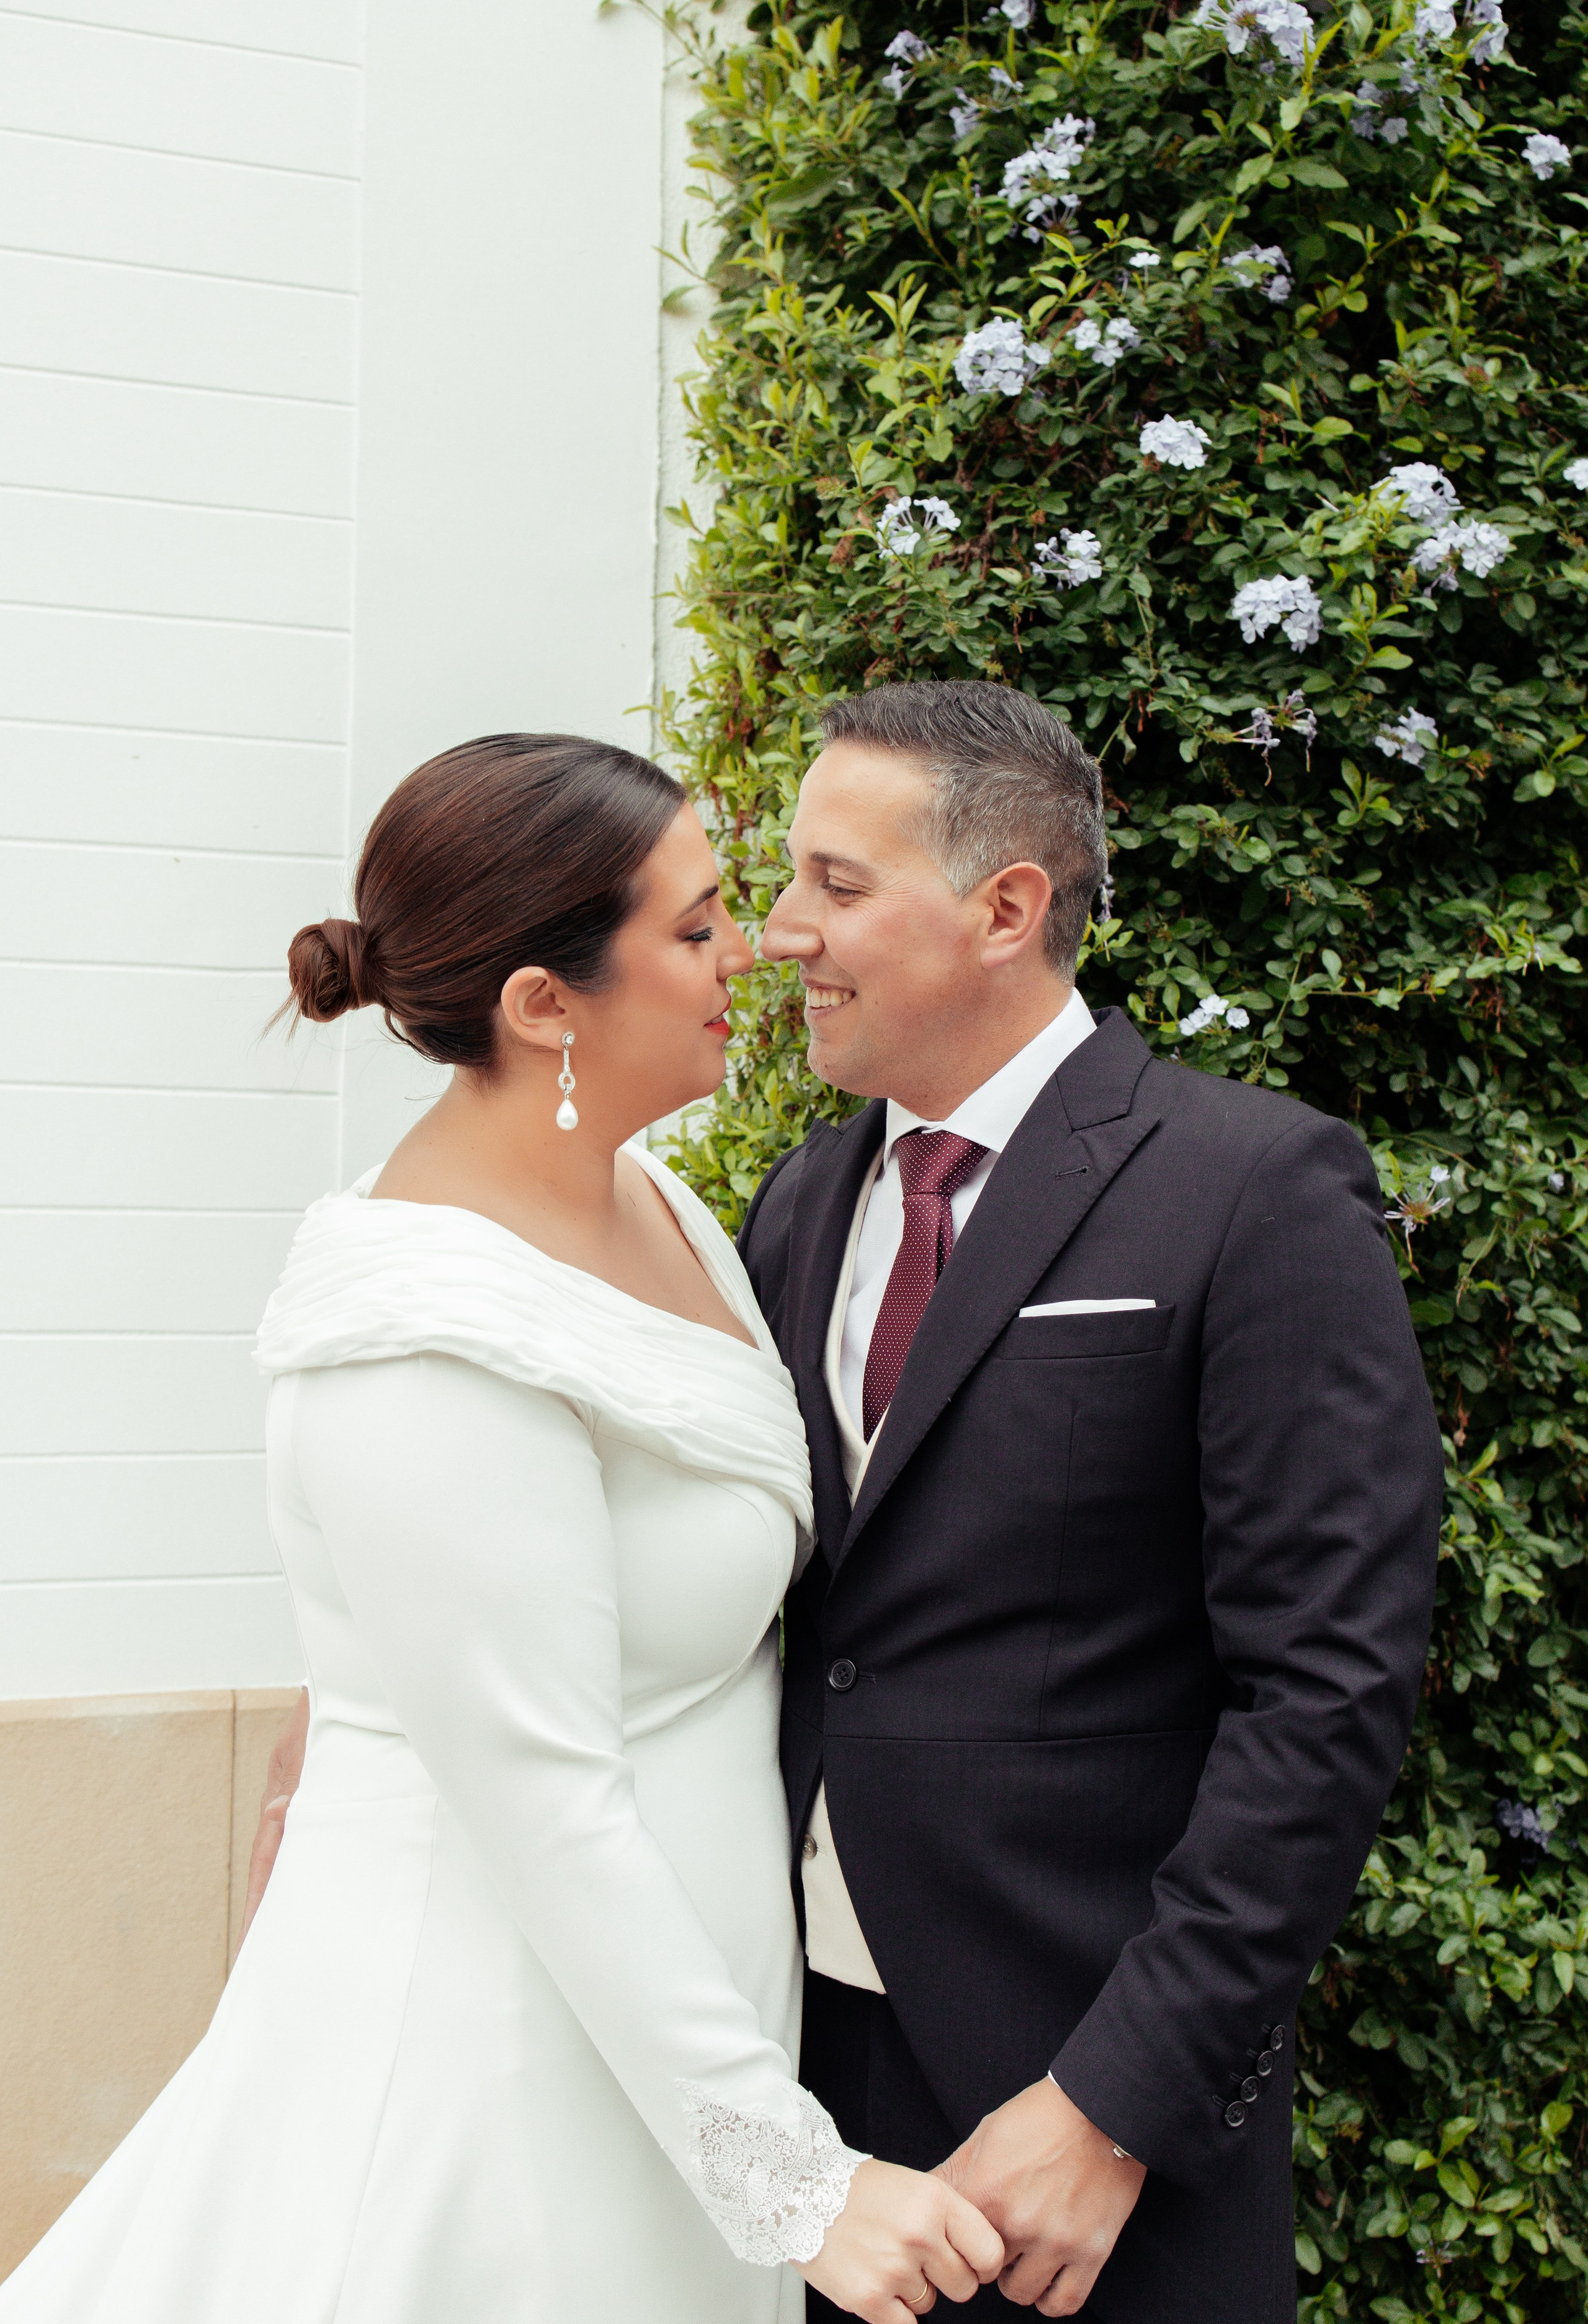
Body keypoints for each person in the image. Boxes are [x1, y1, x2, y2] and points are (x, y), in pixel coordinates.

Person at [0, 733, 1002, 2324]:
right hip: (487, 2061)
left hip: (662, 2058)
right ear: (546, 1005)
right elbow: (542, 1797)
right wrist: (791, 2178)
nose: (746, 953)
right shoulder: (426, 1328)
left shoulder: (663, 1209)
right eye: (691, 930)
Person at [736, 682, 1442, 2320]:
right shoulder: (797, 1202)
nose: (784, 935)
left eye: (837, 885)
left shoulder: (1251, 1189)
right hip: (808, 2100)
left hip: (1074, 2109)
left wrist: (1117, 2103)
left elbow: (1327, 1688)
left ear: (1006, 907)